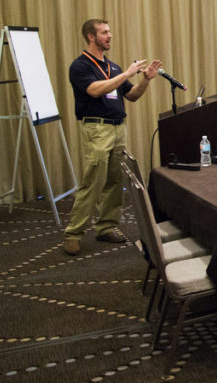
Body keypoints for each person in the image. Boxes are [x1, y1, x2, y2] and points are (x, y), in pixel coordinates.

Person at [63, 19, 163, 255]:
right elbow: (95, 90)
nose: (110, 36)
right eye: (104, 32)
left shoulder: (114, 67)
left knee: (115, 181)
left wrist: (145, 79)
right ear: (91, 36)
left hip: (119, 128)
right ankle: (73, 233)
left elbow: (132, 96)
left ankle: (107, 226)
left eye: (109, 31)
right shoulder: (80, 66)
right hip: (97, 129)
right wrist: (128, 72)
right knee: (93, 181)